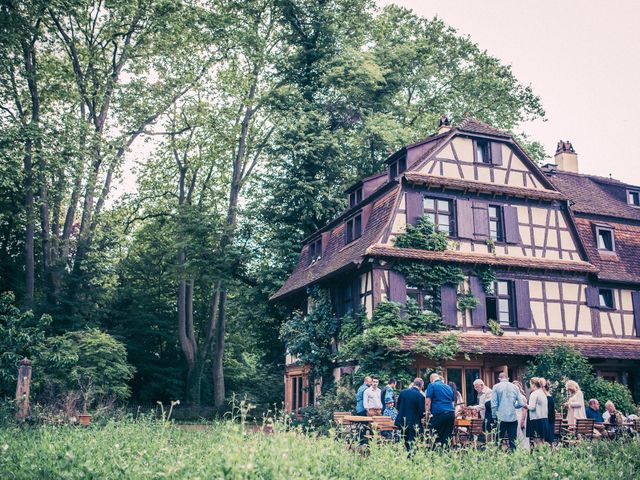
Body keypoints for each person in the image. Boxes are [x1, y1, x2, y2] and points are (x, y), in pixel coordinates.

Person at [490, 372, 523, 451]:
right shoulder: (515, 387)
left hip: (501, 417)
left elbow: (494, 403)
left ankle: (498, 456)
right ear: (508, 378)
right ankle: (513, 457)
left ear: (499, 379)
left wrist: (494, 416)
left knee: (498, 439)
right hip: (513, 417)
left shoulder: (496, 387)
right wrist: (513, 406)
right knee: (513, 440)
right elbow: (521, 403)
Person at [395, 378, 426, 451]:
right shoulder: (420, 396)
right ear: (421, 386)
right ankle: (410, 457)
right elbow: (421, 412)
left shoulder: (403, 392)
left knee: (402, 440)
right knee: (411, 442)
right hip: (413, 422)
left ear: (414, 383)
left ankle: (402, 456)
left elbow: (398, 407)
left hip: (402, 421)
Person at [425, 373, 455, 447]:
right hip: (451, 414)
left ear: (431, 379)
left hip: (439, 413)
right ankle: (445, 454)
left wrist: (427, 413)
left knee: (434, 434)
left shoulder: (432, 385)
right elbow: (453, 402)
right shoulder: (449, 387)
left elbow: (427, 401)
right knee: (447, 436)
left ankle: (434, 453)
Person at [526, 377, 548, 446]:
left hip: (536, 419)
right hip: (544, 419)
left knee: (537, 441)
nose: (530, 386)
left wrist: (525, 405)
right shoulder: (543, 393)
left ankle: (539, 456)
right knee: (542, 440)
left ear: (534, 384)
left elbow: (532, 407)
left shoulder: (534, 393)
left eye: (530, 384)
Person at [512, 380, 530, 450]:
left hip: (521, 417)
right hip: (514, 417)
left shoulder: (522, 397)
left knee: (522, 434)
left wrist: (522, 421)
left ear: (519, 388)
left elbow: (524, 410)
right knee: (516, 434)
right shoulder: (513, 397)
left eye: (517, 387)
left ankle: (524, 449)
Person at [541, 379, 555, 444]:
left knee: (547, 436)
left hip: (548, 419)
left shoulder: (547, 398)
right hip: (551, 418)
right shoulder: (550, 397)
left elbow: (548, 410)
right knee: (550, 438)